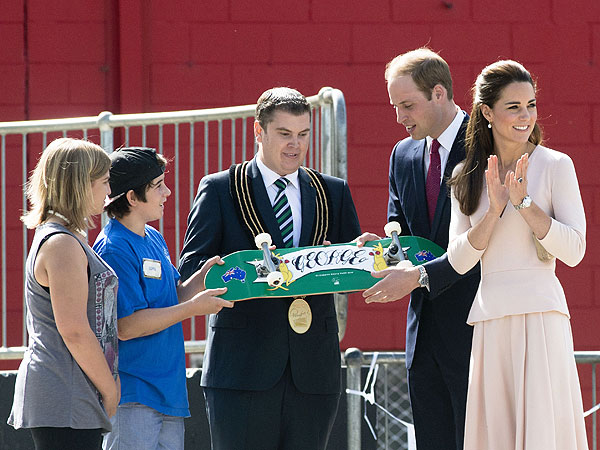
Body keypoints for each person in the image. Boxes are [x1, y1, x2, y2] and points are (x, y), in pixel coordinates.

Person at [179, 87, 361, 450]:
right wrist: (243, 271)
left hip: (313, 371)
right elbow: (191, 268)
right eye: (284, 134)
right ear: (258, 132)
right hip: (242, 369)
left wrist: (358, 255)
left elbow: (355, 272)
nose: (296, 145)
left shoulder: (333, 192)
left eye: (304, 134)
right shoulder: (220, 189)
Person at [447, 60, 588, 449]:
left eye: (531, 105)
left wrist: (524, 202)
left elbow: (575, 250)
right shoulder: (465, 175)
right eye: (514, 107)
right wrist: (493, 211)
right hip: (491, 318)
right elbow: (458, 261)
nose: (525, 116)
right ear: (487, 112)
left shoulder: (557, 165)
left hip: (541, 317)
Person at [356, 48, 480, 450]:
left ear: (440, 93)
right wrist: (382, 249)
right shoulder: (403, 154)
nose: (399, 117)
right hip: (423, 333)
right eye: (395, 106)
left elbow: (485, 242)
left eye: (407, 105)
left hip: (478, 330)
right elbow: (407, 237)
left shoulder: (486, 144)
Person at [93, 147, 232, 450]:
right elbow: (127, 325)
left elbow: (173, 297)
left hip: (168, 393)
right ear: (131, 197)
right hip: (133, 394)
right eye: (158, 186)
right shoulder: (113, 247)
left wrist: (203, 278)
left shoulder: (153, 237)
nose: (167, 192)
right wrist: (193, 309)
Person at [8, 138, 119, 450]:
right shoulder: (62, 244)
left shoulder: (67, 239)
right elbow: (73, 330)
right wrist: (109, 389)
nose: (108, 192)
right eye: (104, 181)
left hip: (73, 392)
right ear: (80, 185)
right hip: (64, 393)